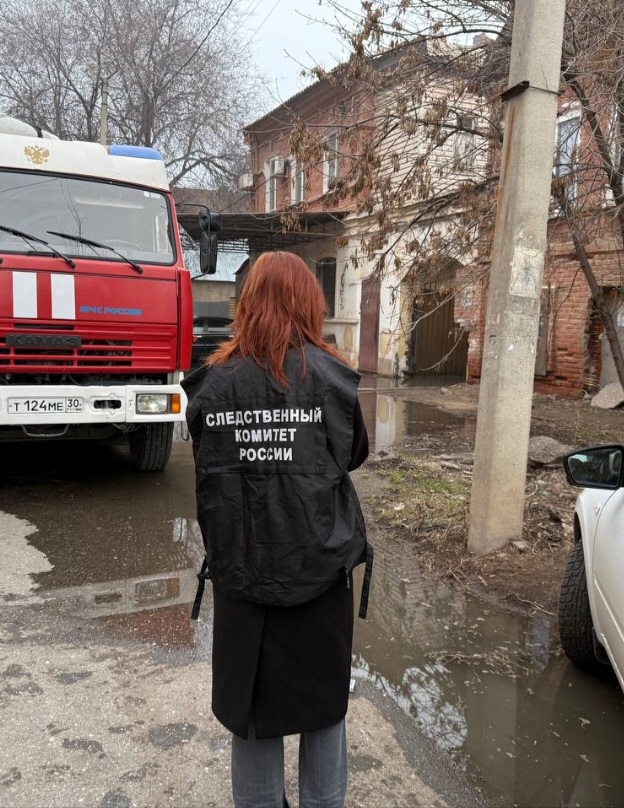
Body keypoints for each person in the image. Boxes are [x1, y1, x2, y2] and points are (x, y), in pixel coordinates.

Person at [183, 251, 372, 808]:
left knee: (253, 717)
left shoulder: (212, 385)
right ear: (310, 304)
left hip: (244, 579)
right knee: (322, 712)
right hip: (318, 576)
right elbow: (352, 455)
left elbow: (210, 465)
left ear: (246, 304)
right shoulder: (334, 380)